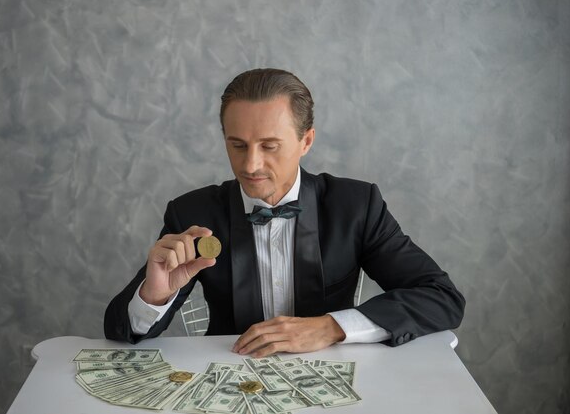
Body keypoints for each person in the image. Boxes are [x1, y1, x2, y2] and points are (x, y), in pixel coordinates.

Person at [104, 68, 465, 357]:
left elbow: (441, 297)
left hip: (336, 380)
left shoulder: (355, 205)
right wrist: (154, 296)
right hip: (230, 378)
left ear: (306, 141)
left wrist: (330, 327)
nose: (251, 164)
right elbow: (120, 331)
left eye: (270, 146)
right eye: (238, 145)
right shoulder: (192, 212)